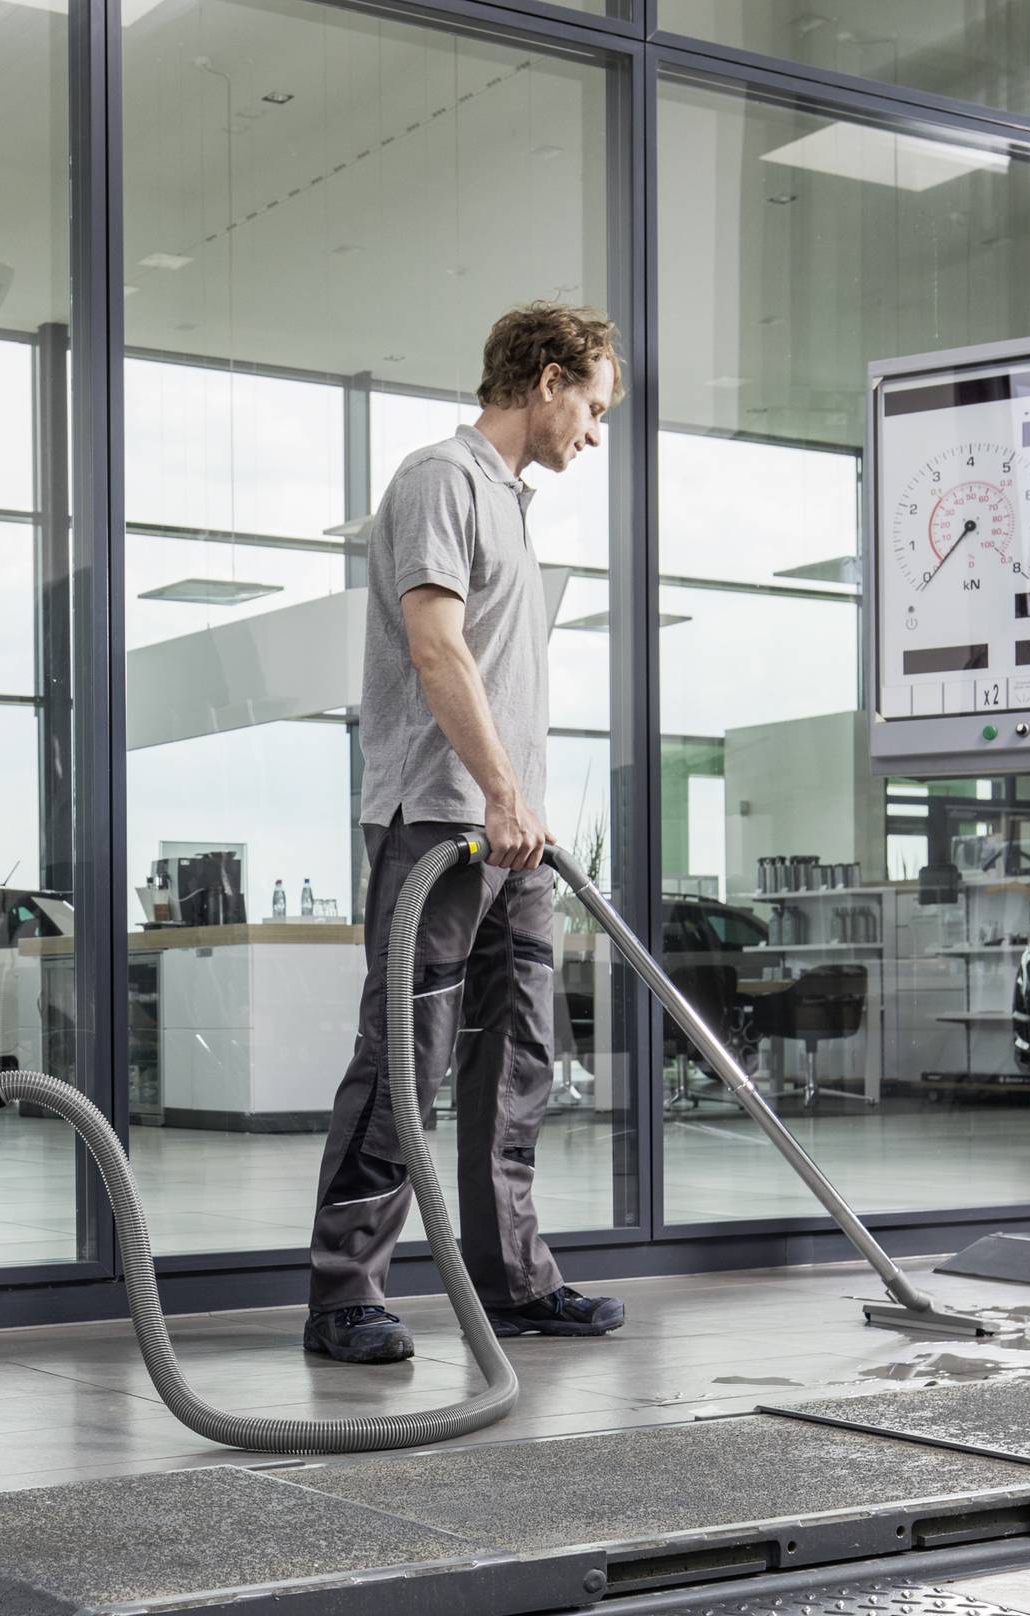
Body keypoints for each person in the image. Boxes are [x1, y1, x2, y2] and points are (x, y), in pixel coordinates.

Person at [302, 302, 628, 1365]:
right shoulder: (440, 479)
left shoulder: (509, 503)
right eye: (592, 403)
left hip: (513, 835)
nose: (594, 429)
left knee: (519, 1056)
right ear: (545, 381)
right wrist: (498, 793)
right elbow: (436, 648)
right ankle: (344, 1292)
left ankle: (514, 1280)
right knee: (409, 1054)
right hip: (443, 821)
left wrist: (521, 805)